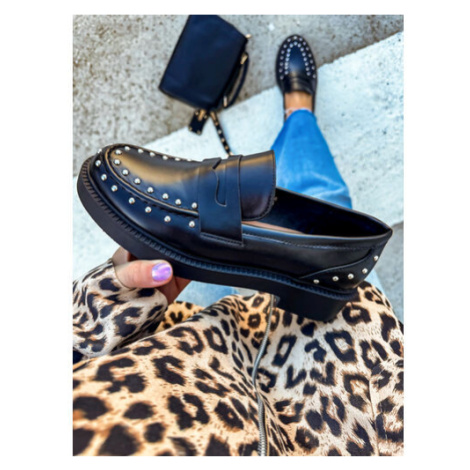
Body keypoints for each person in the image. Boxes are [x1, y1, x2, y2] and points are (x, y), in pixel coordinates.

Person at [73, 35, 403, 456]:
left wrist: (100, 315)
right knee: (319, 194)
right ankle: (298, 113)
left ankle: (298, 117)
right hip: (332, 386)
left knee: (299, 211)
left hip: (202, 343)